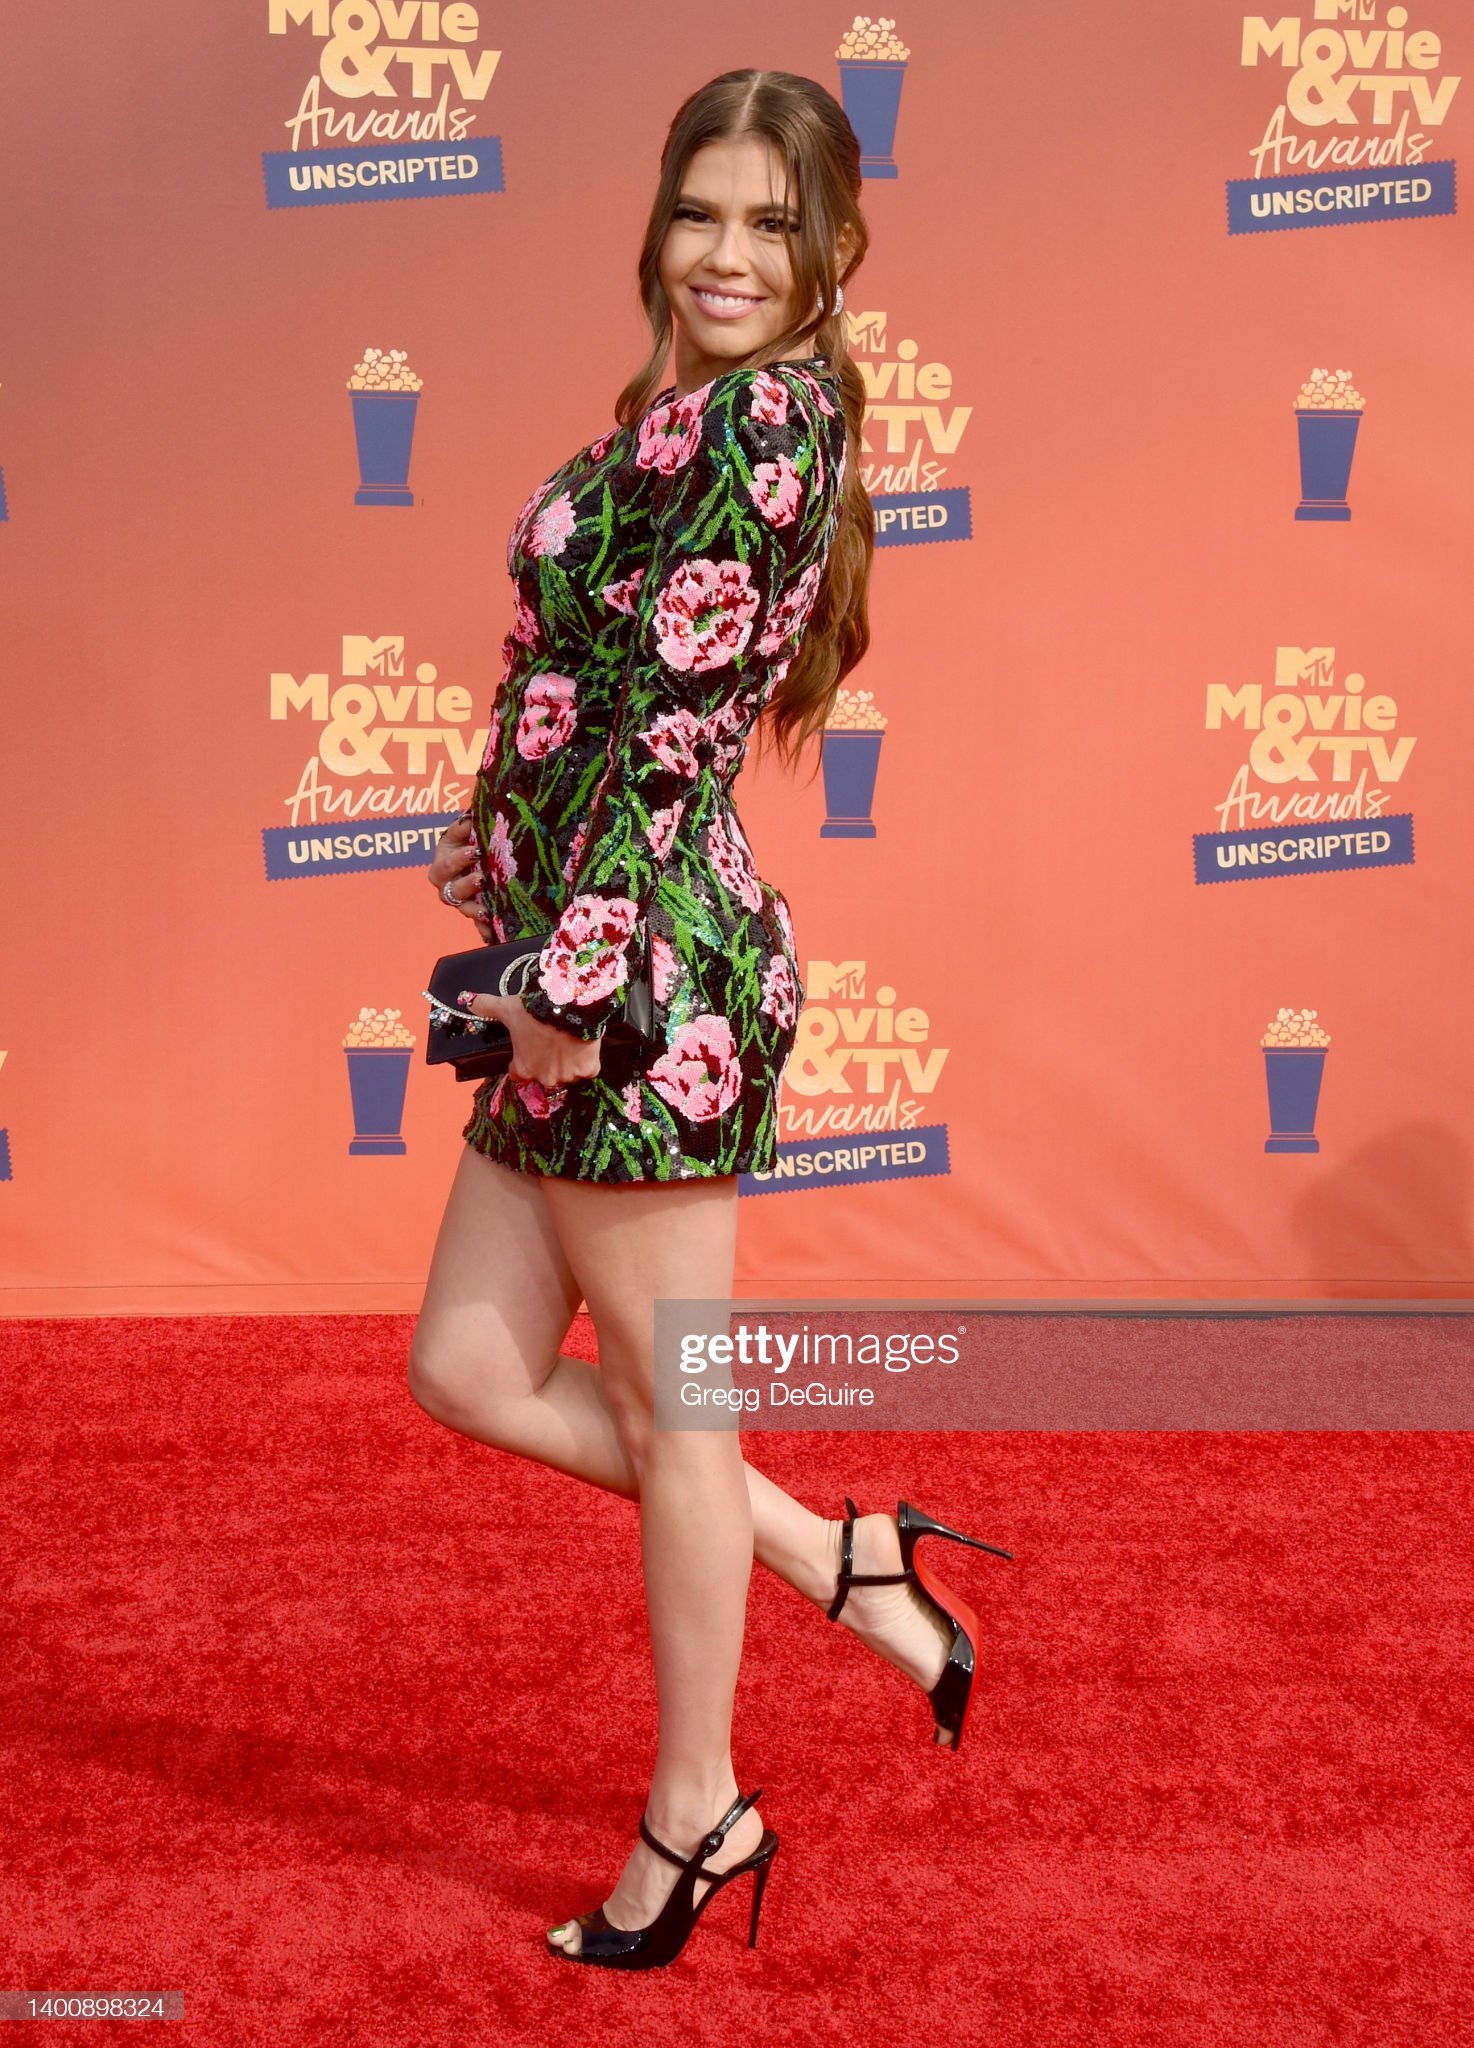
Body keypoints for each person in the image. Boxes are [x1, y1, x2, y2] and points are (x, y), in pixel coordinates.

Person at [408, 70, 1012, 1971]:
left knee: (679, 1414)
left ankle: (697, 1813)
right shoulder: (674, 414)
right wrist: (492, 838)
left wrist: (568, 987)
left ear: (834, 248)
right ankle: (841, 1556)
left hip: (642, 980)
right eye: (699, 214)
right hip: (575, 944)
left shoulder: (766, 424)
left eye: (771, 223)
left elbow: (667, 747)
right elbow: (578, 687)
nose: (727, 256)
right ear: (656, 223)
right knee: (468, 1367)